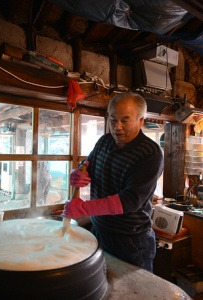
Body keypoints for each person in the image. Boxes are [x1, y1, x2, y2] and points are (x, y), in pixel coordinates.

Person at [63, 92, 164, 272]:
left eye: (125, 120)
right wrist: (77, 173)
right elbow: (88, 165)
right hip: (99, 231)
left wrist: (84, 208)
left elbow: (130, 201)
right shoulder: (105, 141)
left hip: (131, 241)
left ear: (141, 120)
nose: (117, 127)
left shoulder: (150, 153)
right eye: (112, 119)